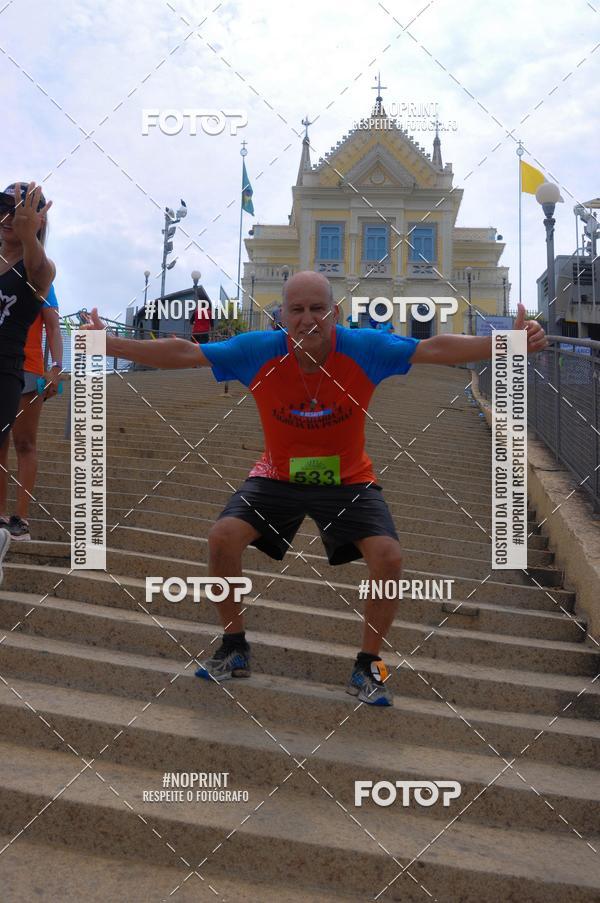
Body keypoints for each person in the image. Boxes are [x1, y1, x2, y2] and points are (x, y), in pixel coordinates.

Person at [82, 271, 547, 706]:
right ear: (281, 316)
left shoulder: (364, 347)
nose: (308, 319)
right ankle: (234, 646)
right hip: (278, 475)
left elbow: (435, 348)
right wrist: (109, 343)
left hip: (347, 479)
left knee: (388, 557)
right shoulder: (258, 350)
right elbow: (182, 354)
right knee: (222, 538)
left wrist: (502, 344)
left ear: (335, 314)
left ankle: (369, 665)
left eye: (318, 309)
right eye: (297, 309)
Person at [0, 283, 63, 540]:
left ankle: (20, 519)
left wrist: (56, 368)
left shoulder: (39, 275)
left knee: (24, 442)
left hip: (30, 368)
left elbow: (54, 325)